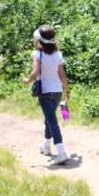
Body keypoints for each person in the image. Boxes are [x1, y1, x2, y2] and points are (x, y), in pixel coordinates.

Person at [23, 25, 70, 165]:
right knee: (49, 119)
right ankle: (46, 145)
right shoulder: (58, 55)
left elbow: (35, 72)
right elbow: (62, 75)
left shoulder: (37, 54)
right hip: (57, 91)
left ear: (39, 40)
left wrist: (28, 80)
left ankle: (61, 152)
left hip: (44, 92)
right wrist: (67, 91)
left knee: (51, 120)